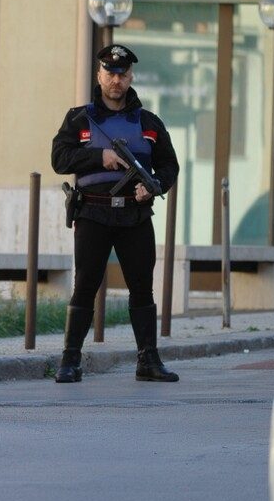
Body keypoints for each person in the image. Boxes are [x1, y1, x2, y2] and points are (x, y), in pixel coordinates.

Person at [51, 44, 180, 384]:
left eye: (122, 74)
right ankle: (70, 360)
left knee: (142, 288)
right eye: (110, 72)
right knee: (85, 285)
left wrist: (154, 187)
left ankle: (148, 360)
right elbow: (60, 159)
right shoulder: (79, 119)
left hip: (135, 216)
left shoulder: (149, 123)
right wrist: (99, 156)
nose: (116, 80)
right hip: (93, 212)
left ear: (131, 77)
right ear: (99, 75)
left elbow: (169, 165)